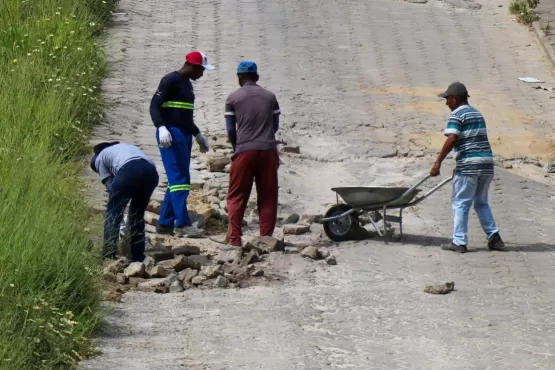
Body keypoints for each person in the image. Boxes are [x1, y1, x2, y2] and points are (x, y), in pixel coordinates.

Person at [430, 82, 505, 253]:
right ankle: (494, 237)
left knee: (460, 202)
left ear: (454, 99)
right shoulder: (477, 113)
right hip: (486, 165)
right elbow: (473, 141)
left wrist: (438, 162)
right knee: (481, 202)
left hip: (470, 165)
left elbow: (452, 139)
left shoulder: (457, 114)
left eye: (447, 99)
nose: (446, 103)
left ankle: (459, 241)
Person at [149, 50, 214, 237]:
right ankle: (183, 223)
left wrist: (197, 134)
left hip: (183, 134)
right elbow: (154, 105)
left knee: (178, 181)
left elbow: (184, 116)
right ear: (193, 66)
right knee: (180, 180)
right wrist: (161, 127)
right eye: (201, 70)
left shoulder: (187, 85)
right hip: (170, 135)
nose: (202, 74)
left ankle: (165, 223)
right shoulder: (170, 80)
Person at [223, 61, 281, 248]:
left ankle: (235, 240)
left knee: (237, 196)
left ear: (239, 78)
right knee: (268, 196)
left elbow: (231, 129)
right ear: (257, 77)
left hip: (244, 151)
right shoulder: (270, 97)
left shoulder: (233, 98)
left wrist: (236, 146)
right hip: (268, 151)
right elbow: (275, 125)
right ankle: (266, 239)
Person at [90, 142, 159, 262]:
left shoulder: (99, 158)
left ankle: (108, 255)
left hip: (128, 170)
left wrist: (119, 210)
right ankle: (138, 257)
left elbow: (112, 189)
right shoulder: (127, 148)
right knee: (137, 215)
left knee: (113, 213)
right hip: (151, 172)